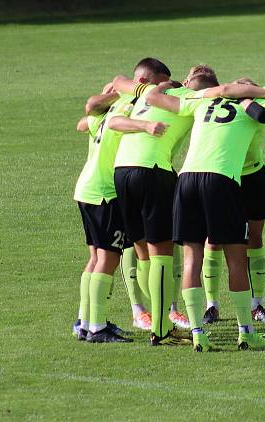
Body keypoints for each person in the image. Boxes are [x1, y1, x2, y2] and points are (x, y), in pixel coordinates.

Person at [143, 76, 265, 352]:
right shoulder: (248, 109)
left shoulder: (201, 101)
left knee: (192, 258)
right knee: (236, 259)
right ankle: (246, 333)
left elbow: (152, 98)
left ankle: (198, 334)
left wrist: (162, 85)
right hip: (221, 180)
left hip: (187, 180)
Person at [108, 60, 220, 346]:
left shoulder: (146, 94)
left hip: (122, 170)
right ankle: (161, 329)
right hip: (153, 171)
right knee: (161, 254)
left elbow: (119, 79)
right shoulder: (190, 98)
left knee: (143, 252)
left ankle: (155, 320)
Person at [72, 64, 158, 343]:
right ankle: (96, 328)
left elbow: (83, 122)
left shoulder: (113, 107)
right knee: (108, 258)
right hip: (106, 192)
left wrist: (110, 96)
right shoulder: (132, 108)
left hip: (87, 188)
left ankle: (85, 322)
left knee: (96, 257)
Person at [201, 78, 265, 326]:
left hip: (253, 176)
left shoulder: (255, 109)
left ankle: (256, 305)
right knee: (213, 239)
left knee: (254, 238)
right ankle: (211, 305)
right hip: (223, 176)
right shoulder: (220, 105)